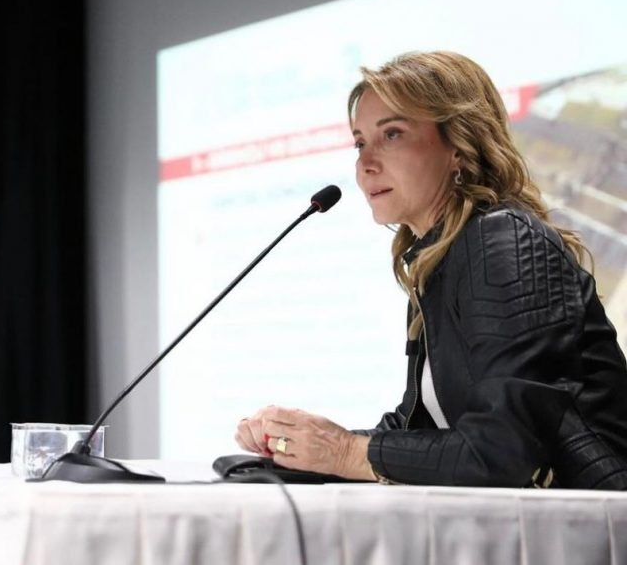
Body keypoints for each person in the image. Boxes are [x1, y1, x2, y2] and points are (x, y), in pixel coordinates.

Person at [235, 51, 627, 488]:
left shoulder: (504, 240)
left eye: (392, 134)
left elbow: (502, 451)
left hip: (599, 520)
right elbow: (419, 430)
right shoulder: (437, 259)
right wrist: (300, 448)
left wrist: (343, 451)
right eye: (360, 142)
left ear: (458, 145)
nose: (366, 164)